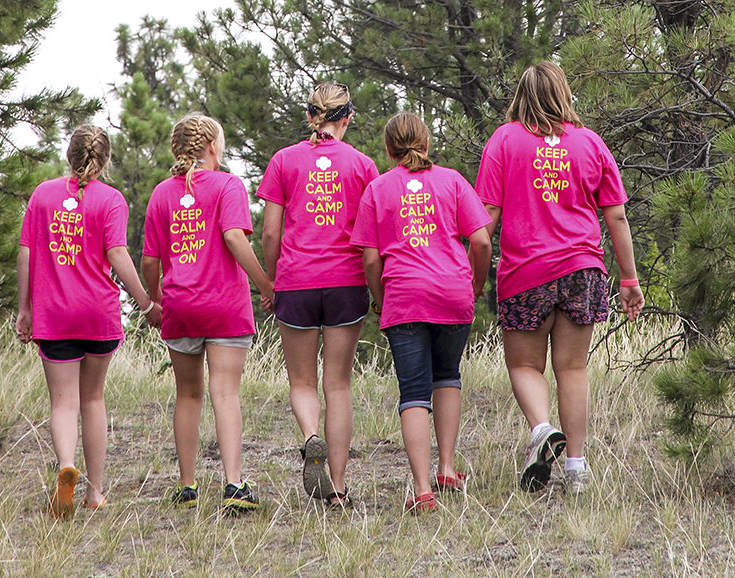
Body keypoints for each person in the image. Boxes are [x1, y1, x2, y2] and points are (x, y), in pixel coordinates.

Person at [474, 61, 645, 495]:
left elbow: (487, 217)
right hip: (581, 269)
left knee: (524, 365)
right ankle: (576, 468)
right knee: (573, 368)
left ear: (521, 96)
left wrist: (467, 272)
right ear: (563, 93)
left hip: (524, 271)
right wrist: (629, 277)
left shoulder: (504, 140)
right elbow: (617, 215)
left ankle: (542, 431)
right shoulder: (590, 143)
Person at [16, 125, 161, 520]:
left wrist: (24, 309)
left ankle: (67, 464)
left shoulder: (43, 195)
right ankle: (95, 492)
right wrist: (147, 304)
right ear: (105, 160)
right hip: (98, 313)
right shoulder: (112, 200)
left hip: (54, 315)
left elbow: (27, 253)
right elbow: (118, 255)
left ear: (69, 155)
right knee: (93, 399)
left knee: (63, 402)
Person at [351, 112, 492, 513]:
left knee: (413, 392)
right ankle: (447, 467)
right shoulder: (451, 181)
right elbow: (481, 241)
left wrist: (380, 299)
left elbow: (370, 258)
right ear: (426, 143)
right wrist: (474, 284)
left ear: (389, 149)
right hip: (453, 294)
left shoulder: (378, 189)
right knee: (447, 375)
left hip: (405, 297)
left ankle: (422, 488)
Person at [142, 112, 274, 512]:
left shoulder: (161, 194)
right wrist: (265, 284)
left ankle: (187, 487)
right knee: (225, 392)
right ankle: (233, 484)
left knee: (188, 394)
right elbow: (234, 237)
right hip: (224, 305)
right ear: (214, 147)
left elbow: (150, 261)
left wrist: (155, 302)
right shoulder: (228, 185)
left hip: (179, 305)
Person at [257, 82, 379, 507]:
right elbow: (373, 236)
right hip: (346, 283)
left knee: (302, 381)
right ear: (347, 118)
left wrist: (271, 281)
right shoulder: (363, 165)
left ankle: (311, 436)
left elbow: (271, 232)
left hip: (296, 281)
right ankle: (339, 489)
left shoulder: (283, 161)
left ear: (310, 117)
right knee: (338, 385)